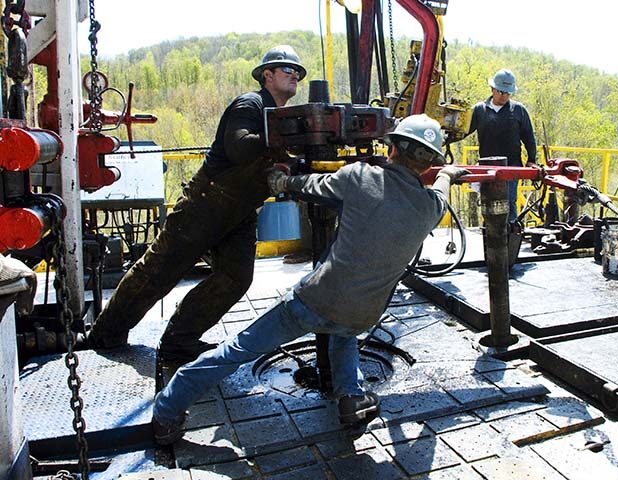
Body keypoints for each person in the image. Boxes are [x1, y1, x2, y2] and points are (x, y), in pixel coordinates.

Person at [151, 114, 469, 445]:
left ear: (391, 149)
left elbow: (310, 186)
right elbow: (442, 192)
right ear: (430, 161)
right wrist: (447, 174)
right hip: (363, 315)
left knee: (238, 349)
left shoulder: (360, 176)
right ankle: (351, 399)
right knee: (343, 331)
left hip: (314, 301)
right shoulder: (431, 207)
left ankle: (166, 411)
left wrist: (281, 181)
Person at [87, 45, 307, 362]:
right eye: (288, 70)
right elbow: (239, 148)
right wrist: (286, 138)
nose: (295, 76)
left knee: (235, 278)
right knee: (158, 273)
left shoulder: (280, 118)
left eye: (298, 72)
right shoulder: (251, 104)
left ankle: (179, 340)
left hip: (240, 212)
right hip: (205, 204)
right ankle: (104, 337)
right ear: (267, 76)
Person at [468, 68, 537, 222]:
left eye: (508, 93)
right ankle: (491, 236)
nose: (504, 96)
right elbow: (464, 130)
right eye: (501, 92)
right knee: (489, 204)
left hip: (511, 167)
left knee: (509, 204)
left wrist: (532, 159)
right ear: (492, 89)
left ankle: (510, 236)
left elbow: (529, 136)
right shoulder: (480, 110)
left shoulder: (518, 110)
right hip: (487, 168)